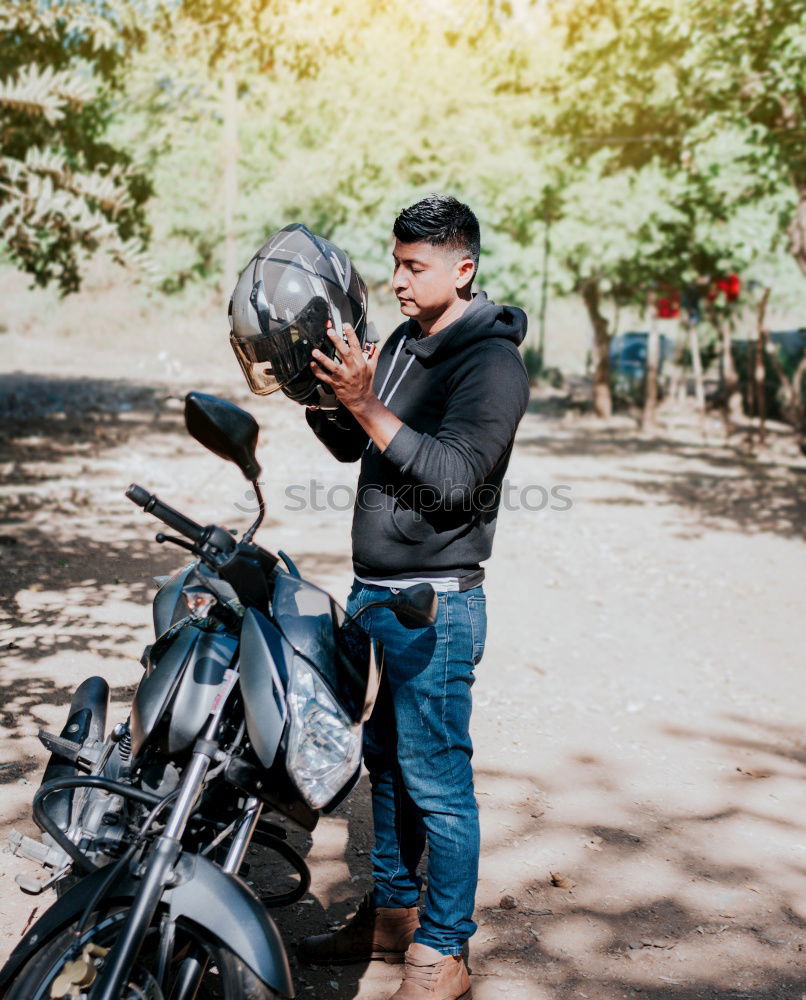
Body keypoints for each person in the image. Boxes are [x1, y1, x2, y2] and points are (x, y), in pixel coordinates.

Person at [299, 194, 530, 1000]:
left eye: (414, 266)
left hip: (435, 604)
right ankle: (396, 915)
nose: (396, 279)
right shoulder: (401, 340)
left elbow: (457, 479)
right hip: (375, 597)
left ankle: (445, 948)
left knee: (438, 780)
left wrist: (367, 400)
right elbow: (348, 440)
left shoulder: (490, 362)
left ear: (462, 269)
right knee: (386, 768)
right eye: (394, 261)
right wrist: (318, 381)